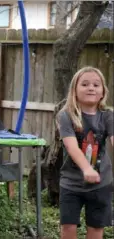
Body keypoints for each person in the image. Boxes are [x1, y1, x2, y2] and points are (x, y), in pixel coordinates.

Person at [56, 66, 113, 239]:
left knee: (96, 228)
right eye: (85, 84)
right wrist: (87, 168)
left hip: (101, 184)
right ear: (74, 90)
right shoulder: (66, 116)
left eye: (96, 85)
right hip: (71, 184)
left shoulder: (107, 116)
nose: (91, 88)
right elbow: (72, 147)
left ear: (103, 92)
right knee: (68, 227)